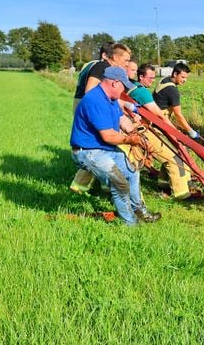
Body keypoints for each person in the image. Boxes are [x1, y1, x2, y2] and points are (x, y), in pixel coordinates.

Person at [70, 66, 160, 225]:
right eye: (123, 86)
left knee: (133, 170)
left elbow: (122, 121)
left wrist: (141, 138)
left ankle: (140, 212)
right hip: (89, 152)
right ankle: (130, 224)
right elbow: (108, 136)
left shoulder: (110, 99)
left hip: (103, 149)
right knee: (120, 184)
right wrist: (131, 140)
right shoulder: (95, 100)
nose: (125, 90)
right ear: (114, 83)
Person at [70, 43, 133, 194]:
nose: (127, 63)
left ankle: (81, 186)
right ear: (115, 57)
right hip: (90, 108)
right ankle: (108, 185)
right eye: (125, 59)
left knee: (97, 146)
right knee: (99, 145)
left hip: (87, 106)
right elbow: (91, 92)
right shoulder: (102, 67)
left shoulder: (102, 67)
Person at [126, 62, 195, 200]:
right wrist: (176, 134)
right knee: (176, 156)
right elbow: (161, 116)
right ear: (141, 77)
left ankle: (163, 184)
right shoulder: (142, 92)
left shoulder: (131, 87)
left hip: (135, 127)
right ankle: (182, 194)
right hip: (142, 129)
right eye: (150, 78)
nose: (153, 81)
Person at [153, 62, 200, 140]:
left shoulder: (164, 79)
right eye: (182, 77)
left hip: (153, 115)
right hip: (160, 121)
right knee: (177, 144)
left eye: (186, 78)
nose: (185, 80)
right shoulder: (173, 90)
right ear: (175, 74)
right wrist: (191, 132)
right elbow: (178, 115)